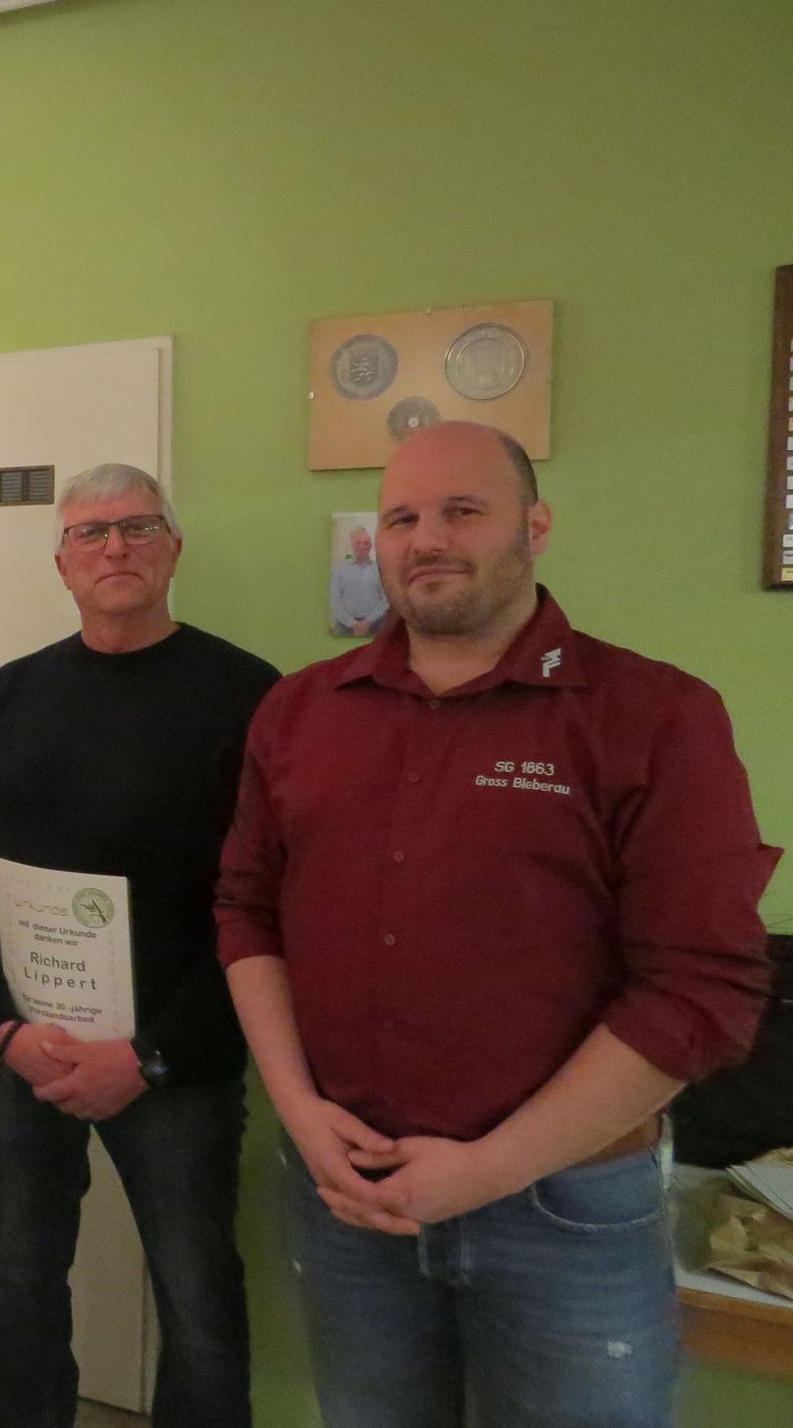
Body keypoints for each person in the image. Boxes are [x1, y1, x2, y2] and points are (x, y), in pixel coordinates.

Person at [216, 421, 781, 1428]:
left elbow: (703, 990)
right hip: (350, 1196)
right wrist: (300, 1115)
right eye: (401, 518)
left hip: (566, 1211)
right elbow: (247, 912)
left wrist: (487, 1169)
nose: (427, 538)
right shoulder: (301, 712)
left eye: (463, 510)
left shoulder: (653, 714)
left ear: (536, 526)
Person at [0, 463, 277, 1428]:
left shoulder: (250, 696)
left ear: (174, 549)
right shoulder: (9, 696)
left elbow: (266, 905)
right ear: (61, 563)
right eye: (90, 532)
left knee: (197, 1294)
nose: (115, 546)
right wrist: (2, 1029)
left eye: (138, 527)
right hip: (26, 1053)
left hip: (176, 1065)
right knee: (23, 1272)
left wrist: (152, 1055)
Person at [329, 523, 388, 636]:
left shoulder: (380, 569)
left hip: (375, 624)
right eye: (358, 543)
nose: (362, 546)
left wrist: (368, 622)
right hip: (344, 626)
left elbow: (385, 599)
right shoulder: (339, 569)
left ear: (371, 545)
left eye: (366, 543)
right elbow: (334, 601)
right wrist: (352, 623)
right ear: (352, 545)